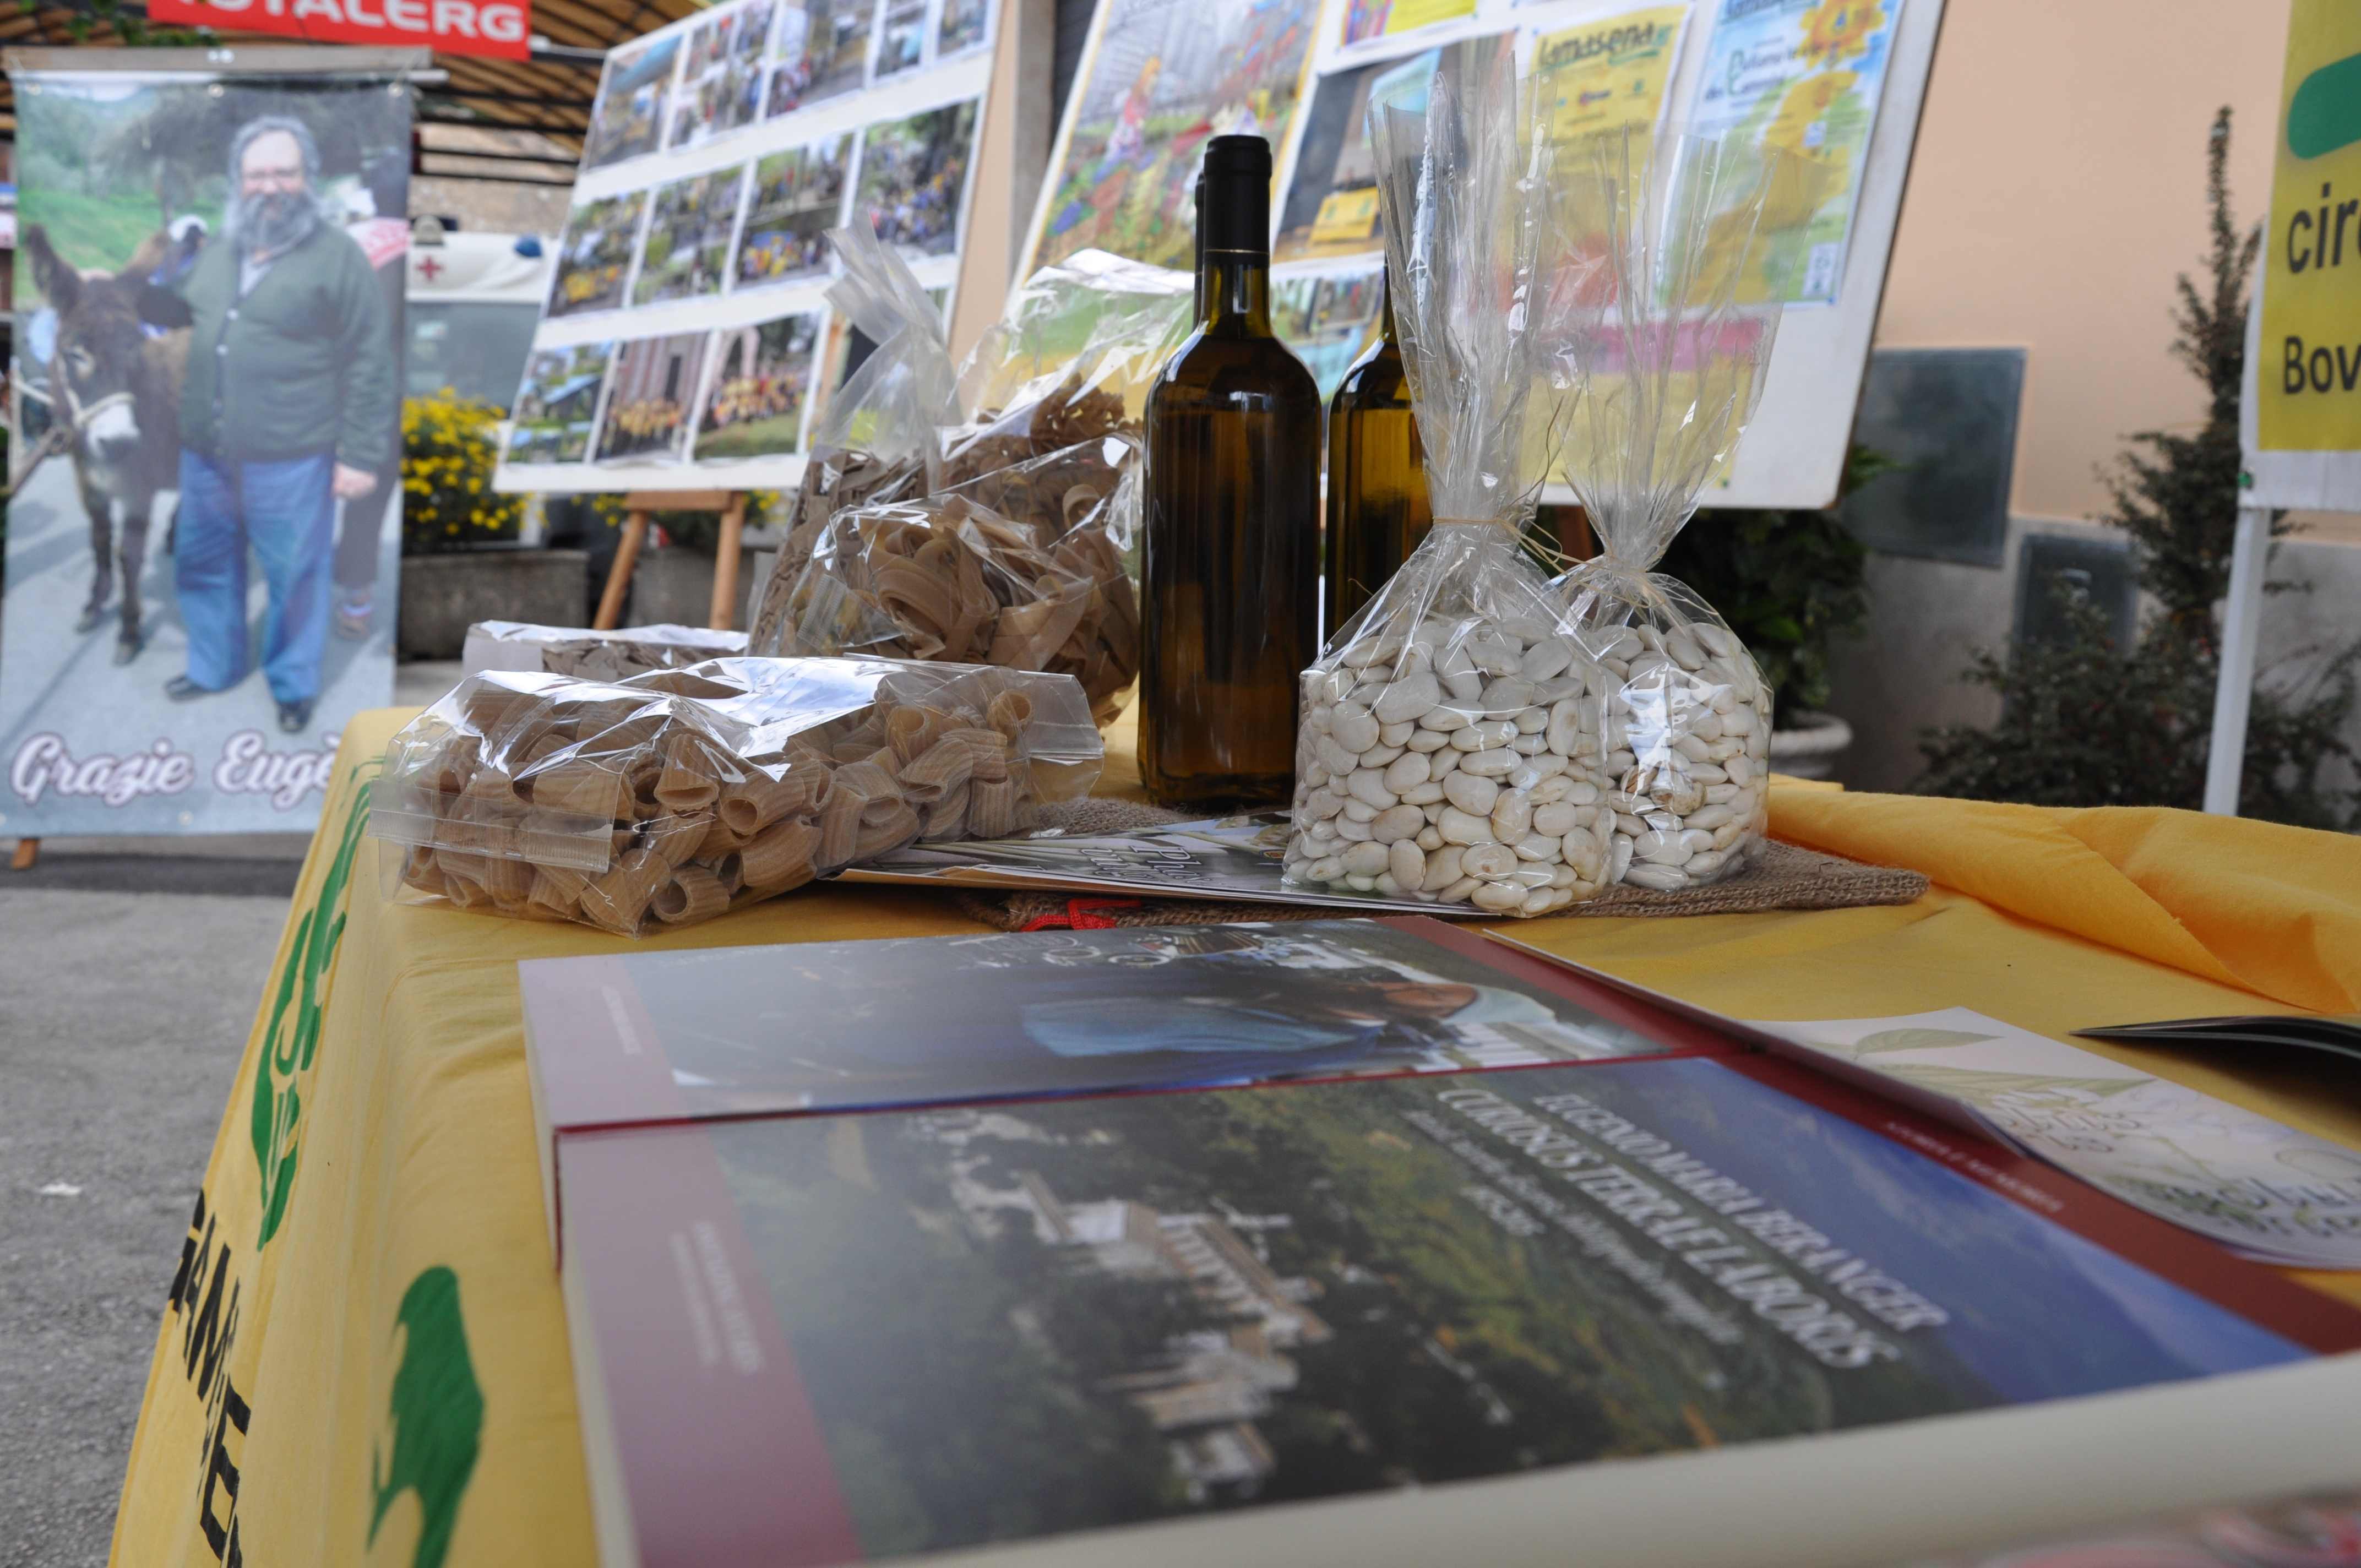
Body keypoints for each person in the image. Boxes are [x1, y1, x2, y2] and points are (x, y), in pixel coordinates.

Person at [167, 115, 396, 732]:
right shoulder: (219, 251)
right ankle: (213, 667)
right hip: (206, 453)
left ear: (308, 179)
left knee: (294, 577)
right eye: (258, 174)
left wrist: (359, 455)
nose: (270, 186)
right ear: (238, 181)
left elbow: (371, 360)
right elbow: (182, 314)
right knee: (203, 563)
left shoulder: (338, 256)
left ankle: (293, 684)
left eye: (284, 173)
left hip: (293, 457)